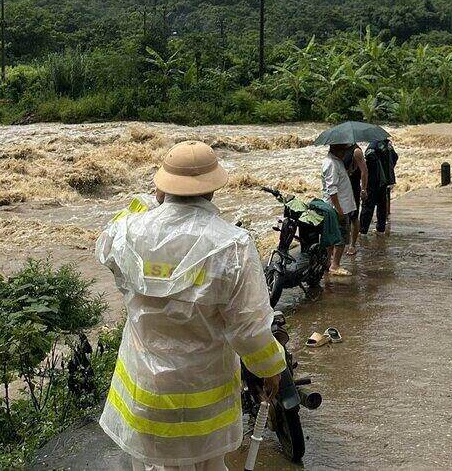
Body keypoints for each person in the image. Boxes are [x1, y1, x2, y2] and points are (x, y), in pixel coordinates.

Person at [96, 140, 286, 471]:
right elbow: (249, 331)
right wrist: (272, 369)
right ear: (213, 189)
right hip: (203, 402)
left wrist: (145, 206)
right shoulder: (232, 246)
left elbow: (106, 247)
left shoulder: (126, 232)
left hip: (143, 393)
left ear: (161, 186)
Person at [322, 144, 357, 276]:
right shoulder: (332, 164)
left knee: (332, 238)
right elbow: (332, 189)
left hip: (338, 206)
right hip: (338, 207)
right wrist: (339, 209)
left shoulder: (334, 162)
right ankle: (335, 265)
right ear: (337, 150)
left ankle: (327, 263)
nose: (346, 153)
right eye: (344, 150)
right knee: (340, 237)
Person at [360, 139, 398, 235]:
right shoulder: (388, 145)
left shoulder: (373, 144)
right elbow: (395, 157)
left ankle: (363, 230)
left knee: (368, 205)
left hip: (374, 179)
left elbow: (369, 156)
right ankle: (381, 229)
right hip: (385, 179)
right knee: (382, 205)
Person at [343, 143, 368, 255]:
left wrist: (363, 189)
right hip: (342, 187)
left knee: (353, 216)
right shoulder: (339, 149)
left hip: (353, 187)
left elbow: (364, 171)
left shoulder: (356, 151)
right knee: (341, 215)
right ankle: (341, 243)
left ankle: (352, 245)